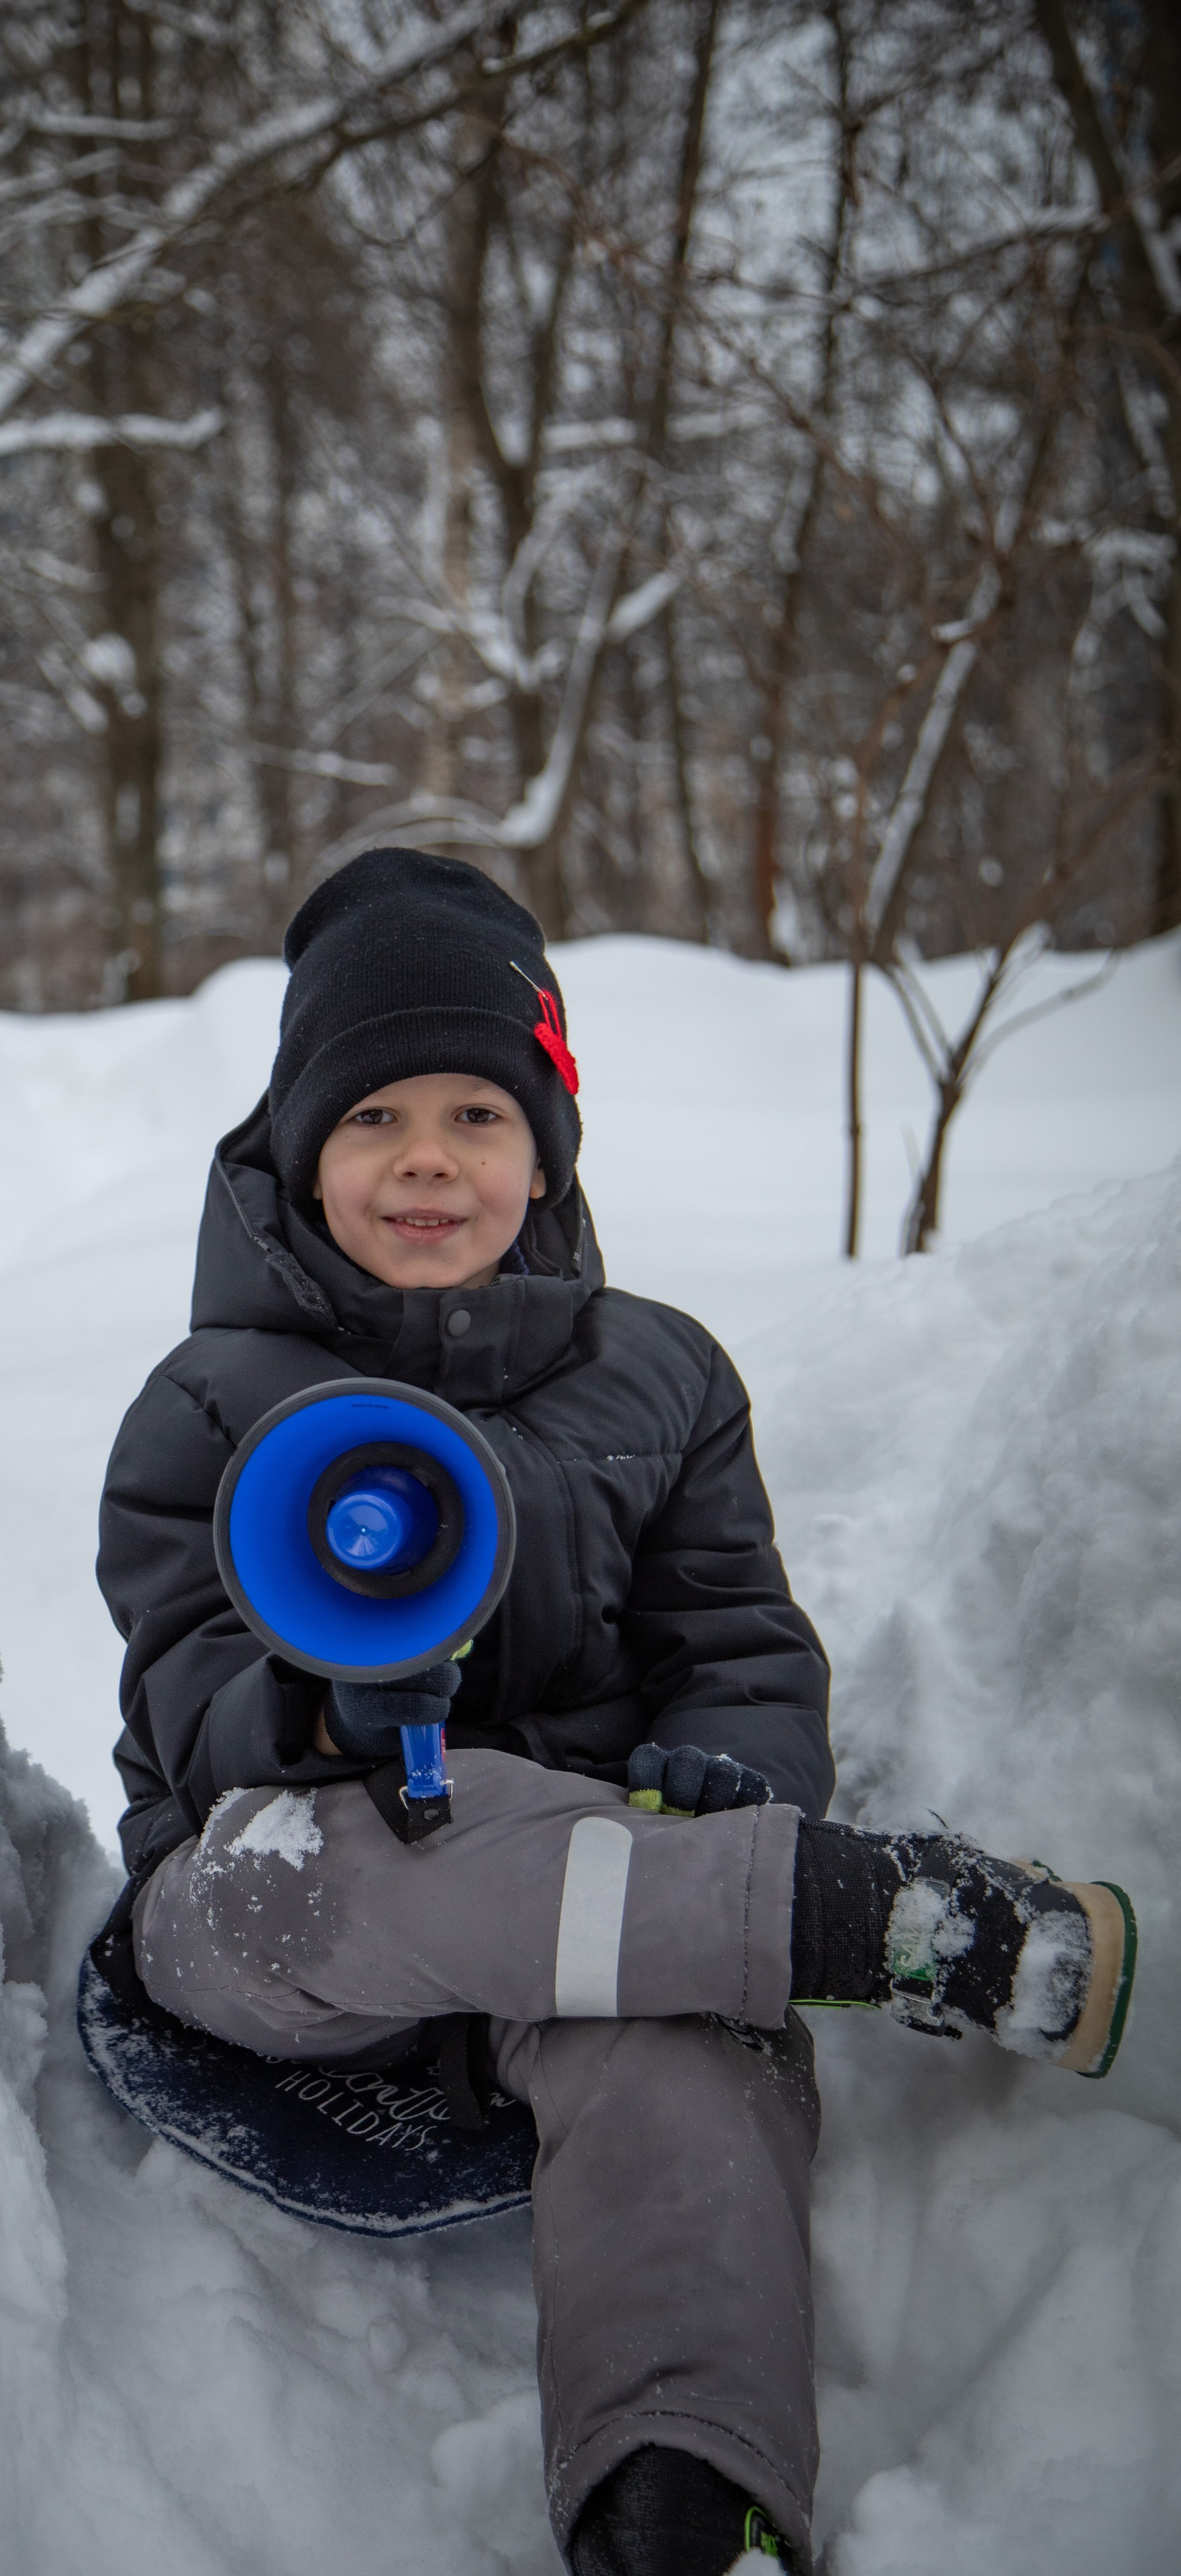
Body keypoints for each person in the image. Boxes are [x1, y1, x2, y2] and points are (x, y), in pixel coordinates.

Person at [95, 849, 1133, 2576]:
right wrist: (329, 1707)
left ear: (546, 1145)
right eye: (372, 1120)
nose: (426, 1157)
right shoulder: (211, 1405)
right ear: (294, 1144)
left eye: (476, 1116)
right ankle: (850, 1917)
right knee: (337, 1859)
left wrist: (737, 1769)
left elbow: (732, 1632)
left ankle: (680, 2495)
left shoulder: (657, 1377)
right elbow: (191, 1704)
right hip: (285, 1921)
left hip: (592, 1928)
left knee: (678, 2046)